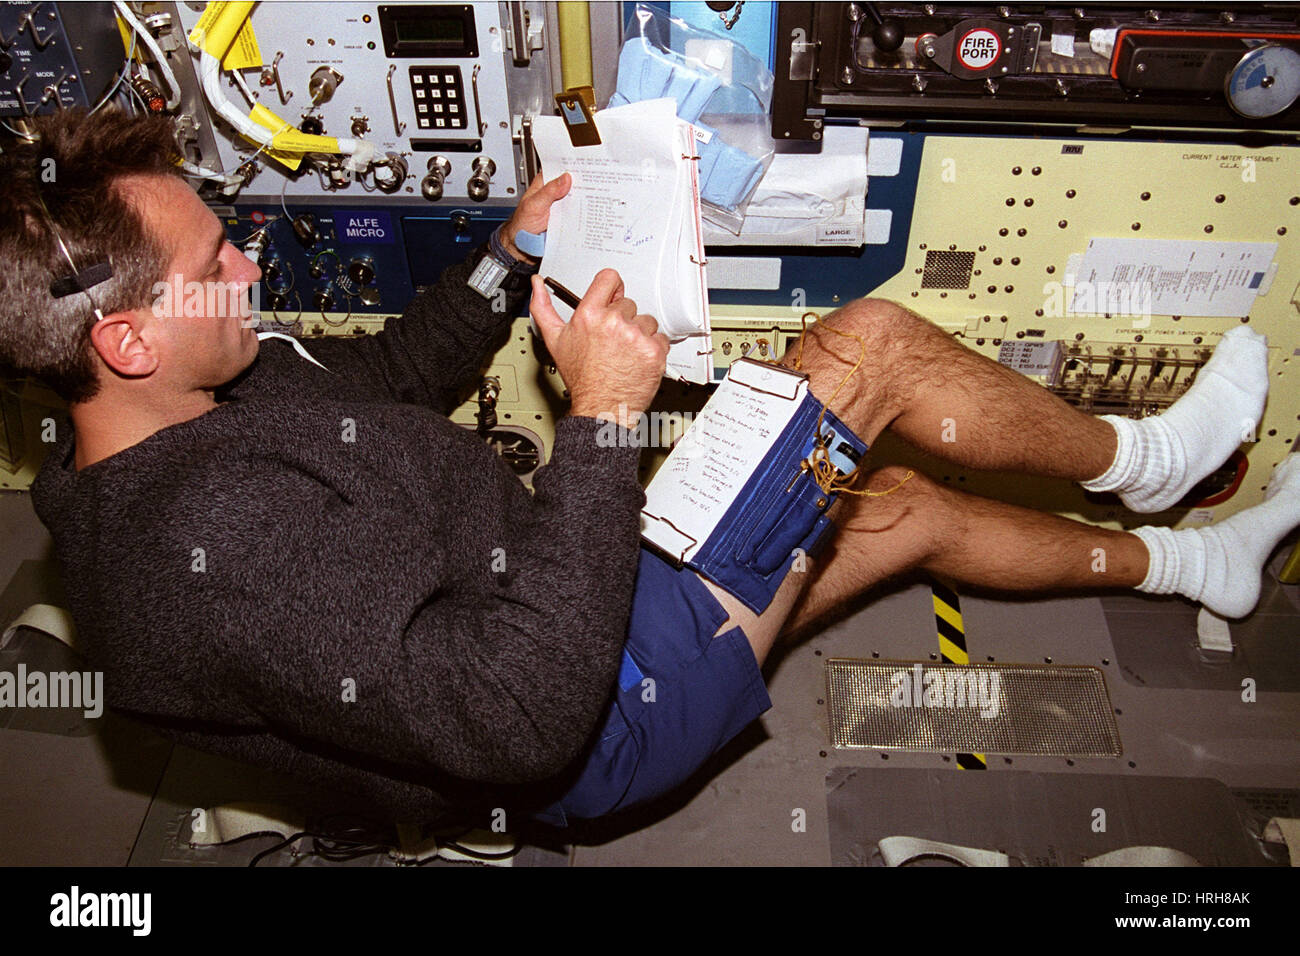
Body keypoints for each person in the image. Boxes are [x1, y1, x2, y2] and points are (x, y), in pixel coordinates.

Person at [2, 109, 1297, 829]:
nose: (250, 270)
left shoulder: (175, 403)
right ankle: (1156, 461)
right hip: (597, 695)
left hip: (542, 586)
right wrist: (605, 420)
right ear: (122, 337)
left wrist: (506, 258)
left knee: (883, 511)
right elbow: (516, 715)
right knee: (872, 352)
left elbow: (380, 387)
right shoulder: (212, 563)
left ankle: (1201, 559)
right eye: (219, 263)